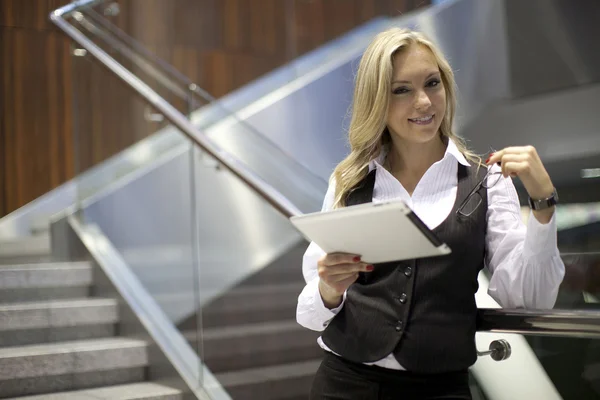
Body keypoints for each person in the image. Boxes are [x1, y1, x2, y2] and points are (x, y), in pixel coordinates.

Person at [296, 28, 565, 399]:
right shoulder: (351, 179)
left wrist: (543, 206)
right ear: (377, 101)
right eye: (401, 90)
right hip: (344, 384)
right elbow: (310, 314)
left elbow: (528, 300)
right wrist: (328, 288)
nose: (424, 102)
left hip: (439, 389)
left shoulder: (487, 181)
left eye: (432, 83)